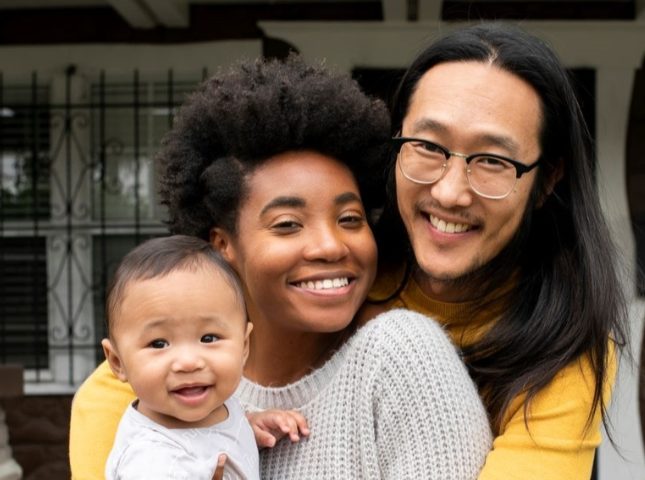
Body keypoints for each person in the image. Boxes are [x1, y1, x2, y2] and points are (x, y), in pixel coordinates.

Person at [69, 55, 493, 480]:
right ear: (223, 245)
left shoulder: (400, 357)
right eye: (287, 225)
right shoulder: (170, 400)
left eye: (350, 219)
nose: (330, 245)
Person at [370, 22, 629, 479]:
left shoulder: (565, 341)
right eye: (428, 146)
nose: (450, 193)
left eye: (493, 160)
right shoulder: (339, 272)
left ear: (547, 180)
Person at [101, 235, 309, 480]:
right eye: (159, 343)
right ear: (117, 362)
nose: (189, 362)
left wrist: (248, 428)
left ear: (243, 346)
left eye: (209, 338)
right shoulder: (151, 461)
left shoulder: (216, 406)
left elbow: (208, 440)